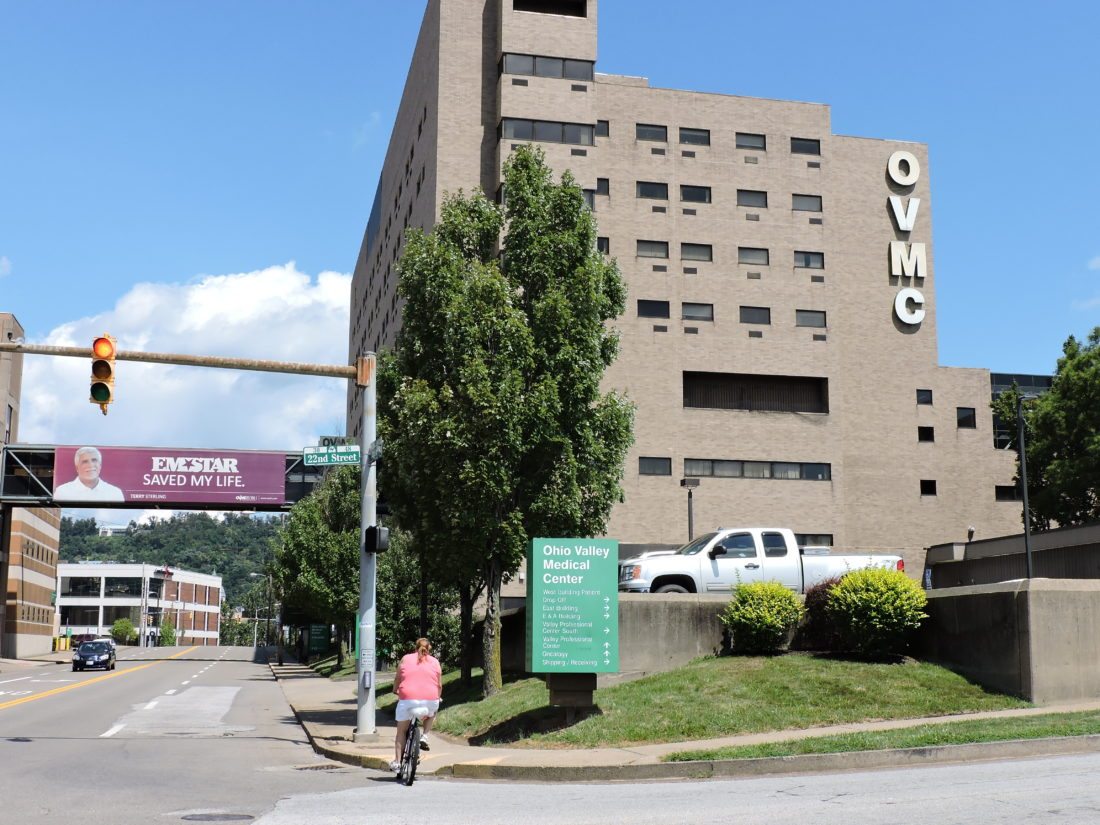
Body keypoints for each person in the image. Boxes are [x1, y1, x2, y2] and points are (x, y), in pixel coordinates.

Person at [390, 637, 442, 773]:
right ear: (429, 648)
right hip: (430, 699)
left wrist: (395, 690)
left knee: (401, 731)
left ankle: (397, 762)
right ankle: (425, 735)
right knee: (433, 712)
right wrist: (437, 696)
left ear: (415, 647)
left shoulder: (405, 659)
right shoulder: (435, 662)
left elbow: (398, 678)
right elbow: (439, 685)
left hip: (408, 699)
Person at [54, 446, 125, 502]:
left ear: (100, 465)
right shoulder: (62, 491)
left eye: (94, 460)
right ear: (77, 468)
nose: (90, 465)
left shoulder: (115, 493)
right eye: (85, 461)